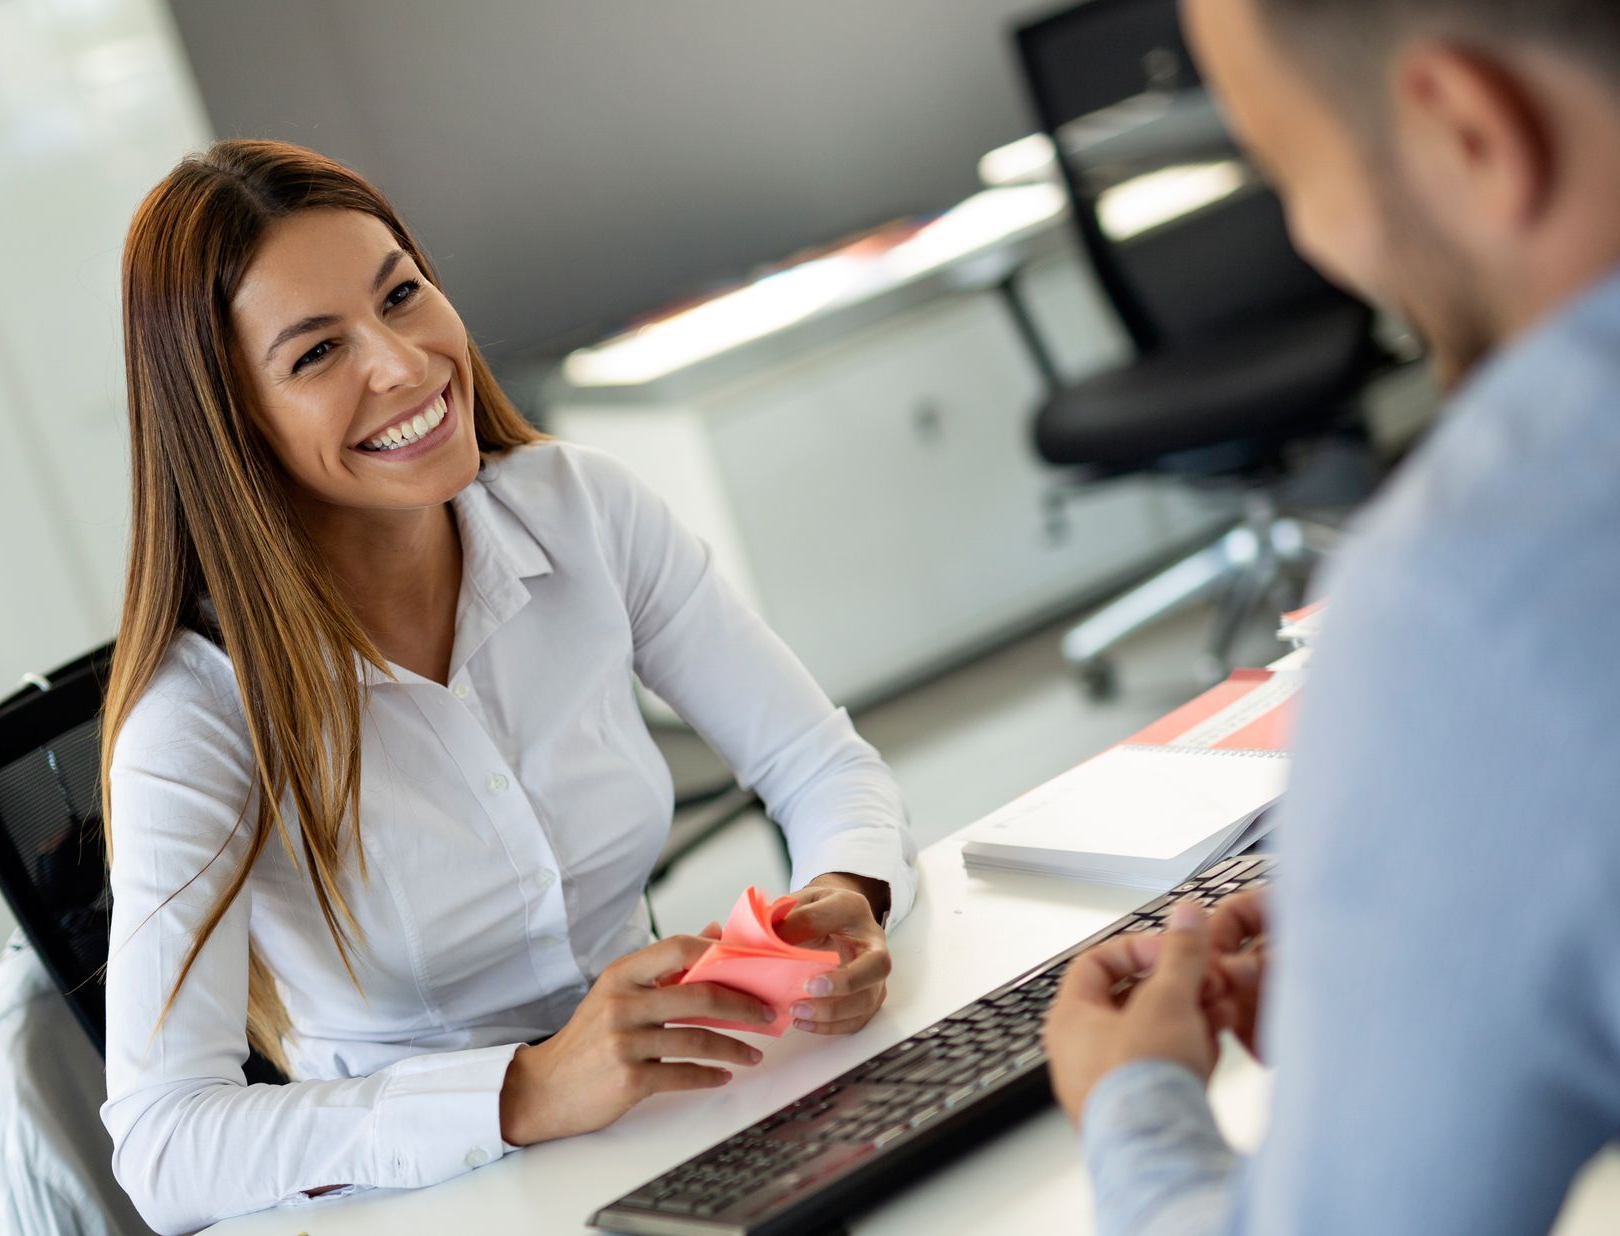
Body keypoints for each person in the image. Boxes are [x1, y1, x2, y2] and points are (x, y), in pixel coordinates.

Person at [98, 140, 918, 1234]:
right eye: (316, 354)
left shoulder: (579, 508)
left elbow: (818, 764)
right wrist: (524, 1091)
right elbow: (165, 1146)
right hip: (423, 1199)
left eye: (401, 294)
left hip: (675, 1129)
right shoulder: (194, 719)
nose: (401, 364)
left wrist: (848, 896)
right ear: (231, 423)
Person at [1043, 0, 1620, 1231]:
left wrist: (1136, 1104)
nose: (1318, 243)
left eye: (1294, 175)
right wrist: (1440, 933)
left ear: (1469, 133)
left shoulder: (1472, 589)